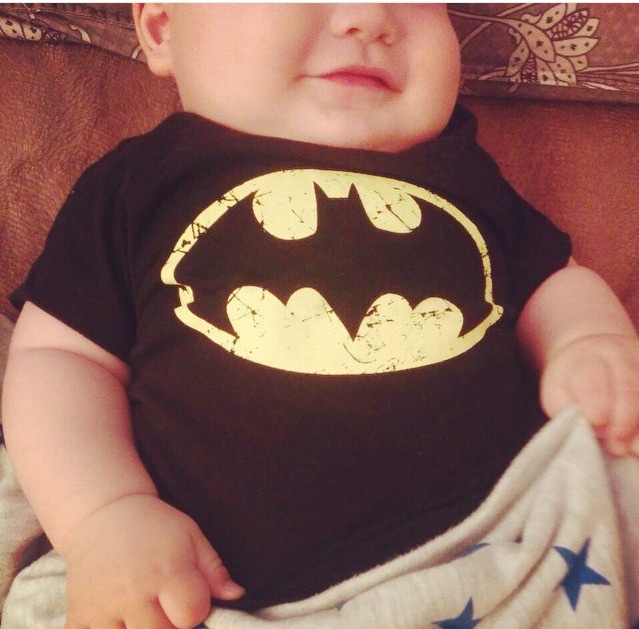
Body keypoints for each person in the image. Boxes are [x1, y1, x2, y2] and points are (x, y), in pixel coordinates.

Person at [3, 4, 639, 629]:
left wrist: (588, 339)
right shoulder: (139, 182)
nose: (369, 16)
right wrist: (105, 515)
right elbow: (59, 360)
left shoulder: (465, 176)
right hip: (202, 594)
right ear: (162, 28)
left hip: (504, 549)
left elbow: (553, 280)